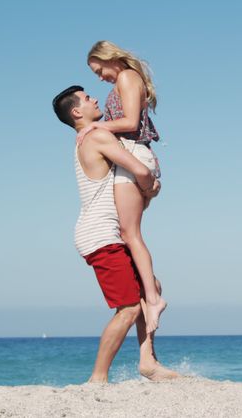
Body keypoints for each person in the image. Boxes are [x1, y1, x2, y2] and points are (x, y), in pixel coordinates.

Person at [52, 85, 180, 383]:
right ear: (76, 112)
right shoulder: (97, 136)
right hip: (100, 236)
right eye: (87, 99)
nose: (94, 98)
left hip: (105, 233)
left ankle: (148, 361)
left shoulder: (88, 136)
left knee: (153, 287)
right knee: (129, 307)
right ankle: (98, 378)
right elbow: (139, 170)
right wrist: (151, 186)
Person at [77, 41, 167, 333]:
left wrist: (95, 127)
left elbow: (129, 121)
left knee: (131, 233)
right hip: (131, 156)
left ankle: (152, 299)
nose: (100, 77)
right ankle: (149, 298)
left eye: (99, 70)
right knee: (129, 235)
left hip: (134, 154)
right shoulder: (125, 80)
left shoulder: (128, 77)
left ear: (110, 59)